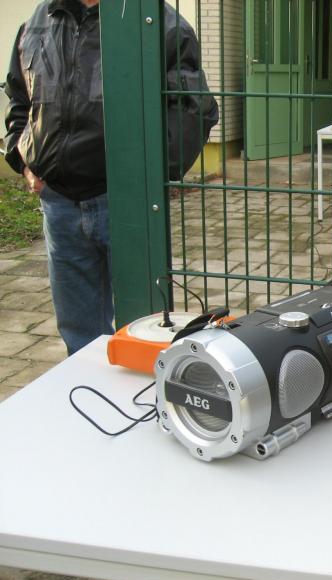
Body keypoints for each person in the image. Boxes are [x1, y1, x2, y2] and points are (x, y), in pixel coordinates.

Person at [4, 0, 218, 355]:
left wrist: (147, 178)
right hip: (59, 203)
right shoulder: (39, 21)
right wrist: (24, 159)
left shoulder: (157, 22)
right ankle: (87, 385)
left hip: (125, 203)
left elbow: (192, 110)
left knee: (144, 327)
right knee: (78, 333)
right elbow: (18, 98)